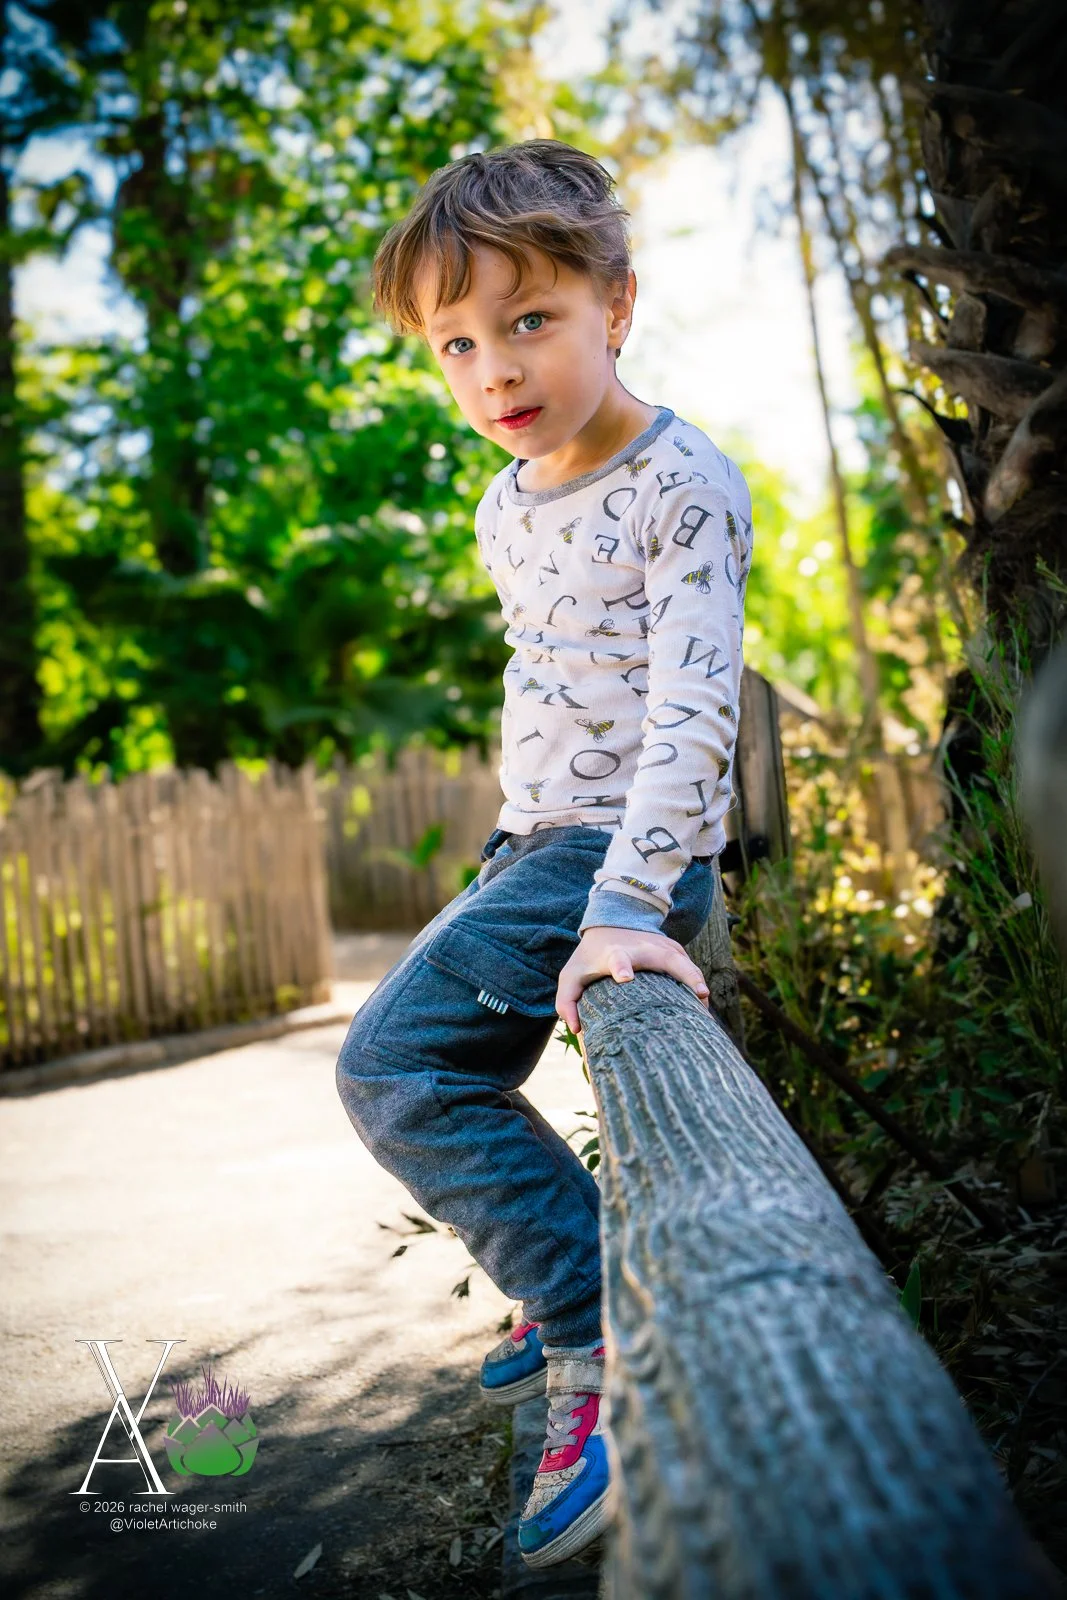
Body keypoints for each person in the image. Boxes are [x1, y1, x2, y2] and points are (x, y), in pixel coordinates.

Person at [335, 138, 753, 1569]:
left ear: (614, 306)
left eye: (528, 321)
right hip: (538, 848)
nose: (493, 372)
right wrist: (519, 851)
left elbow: (693, 714)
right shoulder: (504, 502)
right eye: (457, 343)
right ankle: (553, 1272)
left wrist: (628, 904)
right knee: (451, 1055)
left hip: (614, 860)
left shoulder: (681, 483)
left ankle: (597, 1327)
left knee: (391, 1067)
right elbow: (552, 683)